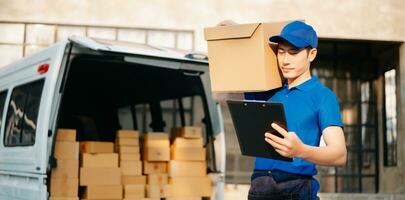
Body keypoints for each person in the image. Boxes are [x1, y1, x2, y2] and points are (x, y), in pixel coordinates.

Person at [242, 21, 347, 200]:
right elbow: (247, 50)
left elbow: (339, 155)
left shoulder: (322, 96)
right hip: (259, 188)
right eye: (281, 52)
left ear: (311, 54)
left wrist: (301, 151)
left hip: (295, 188)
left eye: (293, 52)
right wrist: (233, 28)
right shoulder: (267, 90)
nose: (285, 60)